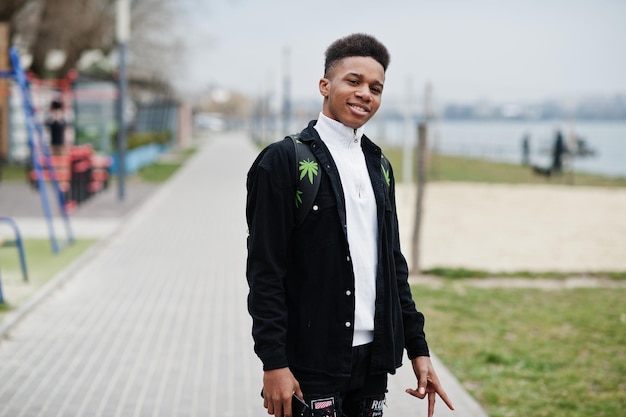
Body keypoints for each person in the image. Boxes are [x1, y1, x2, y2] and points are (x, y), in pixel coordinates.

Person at [246, 33, 454, 417]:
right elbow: (265, 270)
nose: (365, 94)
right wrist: (273, 362)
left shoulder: (379, 166)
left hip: (373, 360)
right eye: (353, 81)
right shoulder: (283, 160)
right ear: (325, 85)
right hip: (310, 360)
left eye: (376, 88)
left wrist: (418, 350)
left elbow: (393, 266)